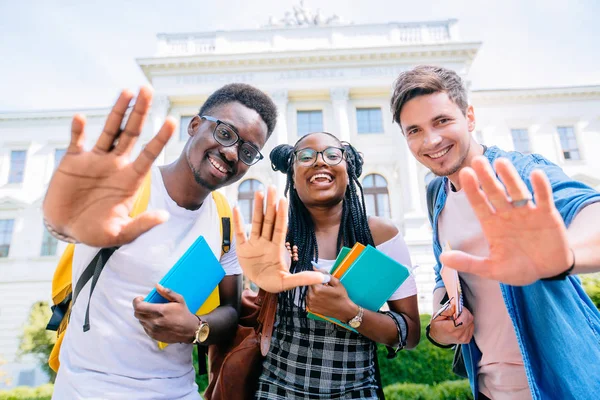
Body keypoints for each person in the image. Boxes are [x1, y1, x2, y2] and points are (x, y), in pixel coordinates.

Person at [42, 84, 278, 399]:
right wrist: (60, 218)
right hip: (87, 388)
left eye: (248, 151)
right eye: (224, 133)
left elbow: (230, 313)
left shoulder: (225, 221)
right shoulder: (125, 190)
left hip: (178, 391)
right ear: (195, 125)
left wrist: (196, 327)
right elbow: (65, 226)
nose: (233, 152)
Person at [389, 65, 600, 399]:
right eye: (414, 130)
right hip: (490, 390)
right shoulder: (436, 196)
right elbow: (445, 274)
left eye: (442, 121)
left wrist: (565, 256)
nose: (430, 140)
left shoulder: (519, 172)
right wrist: (441, 328)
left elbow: (590, 208)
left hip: (565, 386)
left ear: (469, 117)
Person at [231, 132, 420, 399]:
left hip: (357, 392)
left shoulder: (380, 236)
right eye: (305, 157)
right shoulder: (278, 238)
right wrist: (261, 281)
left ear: (348, 169)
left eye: (332, 155)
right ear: (292, 178)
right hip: (277, 390)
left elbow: (410, 335)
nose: (320, 162)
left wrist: (349, 312)